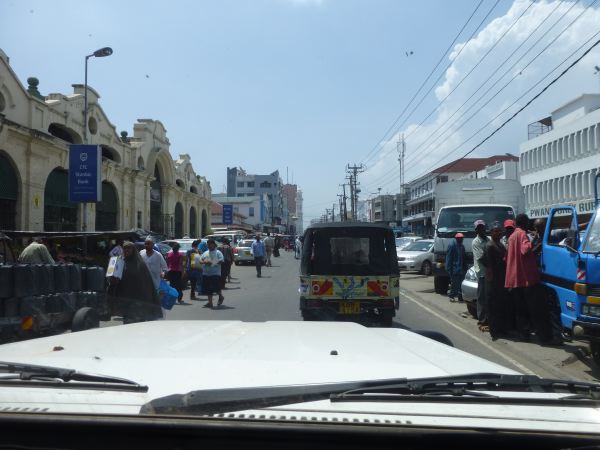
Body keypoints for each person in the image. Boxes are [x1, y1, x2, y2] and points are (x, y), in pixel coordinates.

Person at [505, 214, 554, 343]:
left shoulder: (511, 237)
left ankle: (523, 335)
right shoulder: (522, 234)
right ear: (525, 223)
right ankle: (545, 338)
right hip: (526, 278)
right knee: (535, 309)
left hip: (515, 279)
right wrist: (537, 245)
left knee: (520, 310)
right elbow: (526, 250)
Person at [109, 241, 162, 323]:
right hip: (125, 299)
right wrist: (113, 277)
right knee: (127, 323)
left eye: (129, 248)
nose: (126, 250)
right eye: (125, 248)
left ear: (133, 250)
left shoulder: (140, 264)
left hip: (139, 300)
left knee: (138, 324)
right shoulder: (120, 262)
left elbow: (146, 284)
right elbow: (115, 280)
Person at [483, 222, 509, 340]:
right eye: (495, 231)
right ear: (491, 233)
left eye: (500, 231)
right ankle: (494, 332)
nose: (498, 233)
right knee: (492, 307)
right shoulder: (489, 246)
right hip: (493, 282)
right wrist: (491, 282)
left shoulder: (500, 244)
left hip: (501, 280)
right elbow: (488, 265)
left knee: (500, 307)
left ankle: (501, 329)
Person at [472, 220, 489, 331]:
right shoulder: (476, 242)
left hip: (490, 274)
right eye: (479, 228)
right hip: (482, 273)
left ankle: (489, 320)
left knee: (489, 298)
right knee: (482, 298)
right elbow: (482, 258)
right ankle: (482, 321)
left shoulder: (489, 239)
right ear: (476, 230)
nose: (481, 229)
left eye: (483, 227)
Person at [199, 239, 224, 308]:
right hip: (206, 273)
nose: (209, 245)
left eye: (210, 244)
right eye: (208, 244)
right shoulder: (205, 252)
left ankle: (221, 296)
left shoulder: (218, 252)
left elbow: (221, 260)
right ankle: (210, 303)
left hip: (215, 273)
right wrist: (205, 262)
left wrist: (212, 262)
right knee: (208, 289)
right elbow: (200, 260)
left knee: (215, 288)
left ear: (214, 245)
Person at [445, 233, 466, 302]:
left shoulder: (462, 246)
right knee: (454, 283)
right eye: (459, 238)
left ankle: (460, 296)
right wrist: (448, 268)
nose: (461, 239)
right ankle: (452, 296)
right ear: (456, 238)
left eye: (462, 238)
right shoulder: (452, 245)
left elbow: (464, 258)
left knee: (461, 283)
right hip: (454, 268)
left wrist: (465, 267)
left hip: (461, 268)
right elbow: (449, 257)